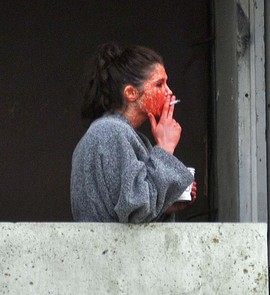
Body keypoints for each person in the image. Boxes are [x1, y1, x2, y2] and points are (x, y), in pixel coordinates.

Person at [71, 42, 197, 222]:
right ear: (131, 93)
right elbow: (136, 208)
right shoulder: (111, 132)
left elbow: (129, 213)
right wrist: (165, 148)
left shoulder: (117, 133)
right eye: (159, 84)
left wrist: (167, 204)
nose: (169, 93)